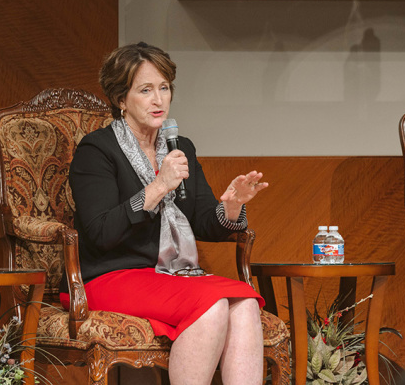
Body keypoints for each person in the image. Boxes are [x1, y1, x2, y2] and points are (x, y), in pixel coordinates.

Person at [65, 42, 268, 385]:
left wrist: (232, 205)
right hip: (110, 275)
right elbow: (100, 231)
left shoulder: (179, 146)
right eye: (146, 90)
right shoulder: (96, 151)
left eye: (164, 88)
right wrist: (158, 186)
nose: (159, 99)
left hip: (170, 276)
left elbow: (203, 218)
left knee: (245, 302)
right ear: (121, 99)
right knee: (213, 303)